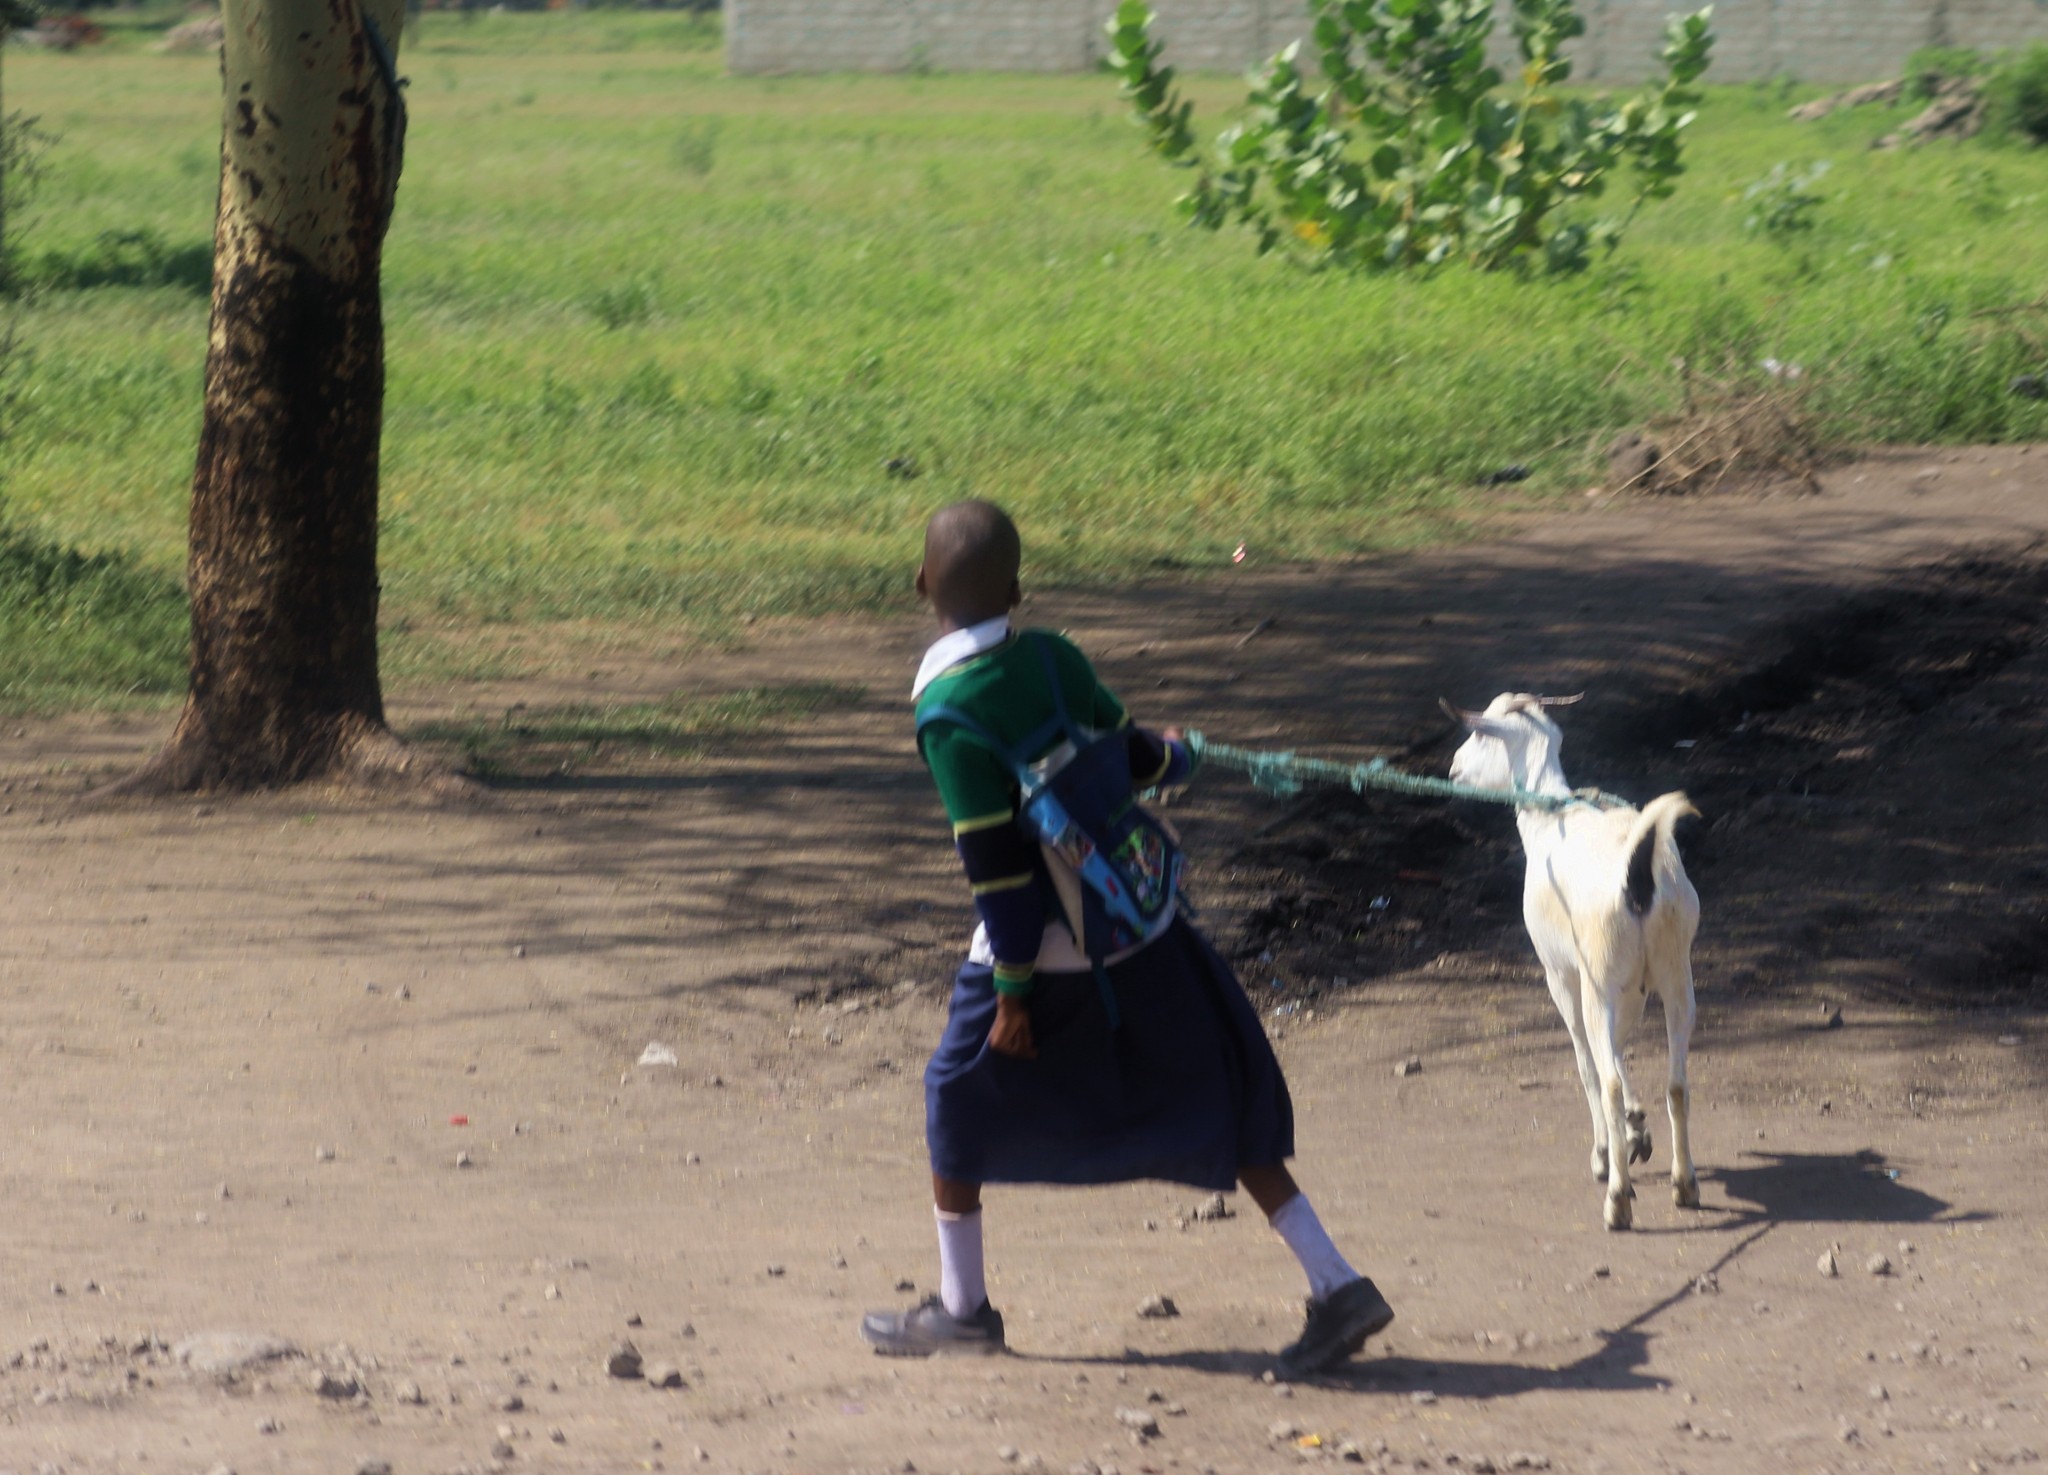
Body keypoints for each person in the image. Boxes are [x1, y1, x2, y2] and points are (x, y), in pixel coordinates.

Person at [858, 500, 1393, 1375]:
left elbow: (996, 870)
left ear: (921, 584)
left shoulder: (949, 713)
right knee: (1223, 1088)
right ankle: (1337, 1282)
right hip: (1141, 923)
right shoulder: (1055, 656)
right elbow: (1127, 754)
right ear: (1019, 589)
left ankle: (962, 1310)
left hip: (1043, 949)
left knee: (955, 1097)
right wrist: (1176, 757)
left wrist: (1016, 994)